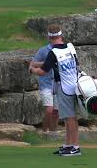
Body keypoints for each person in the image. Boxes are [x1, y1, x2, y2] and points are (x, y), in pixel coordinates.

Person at [29, 24, 81, 156]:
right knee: (68, 118)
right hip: (73, 85)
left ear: (49, 36)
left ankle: (75, 146)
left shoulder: (53, 52)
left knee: (70, 118)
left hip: (63, 87)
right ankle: (68, 145)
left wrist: (32, 69)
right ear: (60, 35)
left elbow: (42, 71)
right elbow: (76, 65)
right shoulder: (70, 47)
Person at [30, 30, 58, 132]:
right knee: (49, 110)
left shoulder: (63, 49)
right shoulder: (43, 50)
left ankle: (53, 132)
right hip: (46, 84)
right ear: (49, 38)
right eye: (53, 37)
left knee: (56, 112)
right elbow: (32, 65)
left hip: (58, 84)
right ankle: (45, 132)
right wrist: (46, 63)